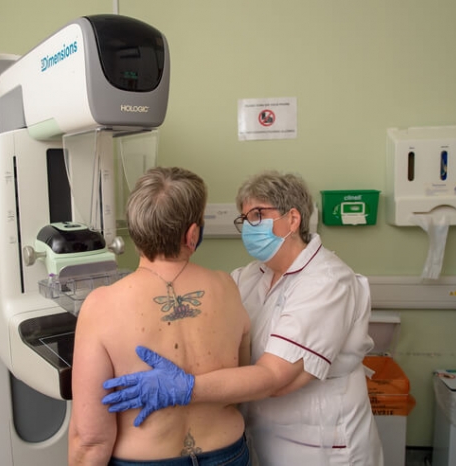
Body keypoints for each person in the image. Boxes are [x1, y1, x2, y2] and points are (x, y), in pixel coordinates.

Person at [102, 171, 384, 466]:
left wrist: (186, 387)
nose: (249, 226)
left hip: (321, 446)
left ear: (293, 219)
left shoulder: (328, 281)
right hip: (257, 438)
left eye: (258, 214)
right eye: (245, 218)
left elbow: (277, 379)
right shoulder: (246, 277)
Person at [68, 166, 252, 465]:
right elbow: (237, 390)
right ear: (192, 234)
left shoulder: (101, 305)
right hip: (227, 454)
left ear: (136, 229)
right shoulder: (227, 287)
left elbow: (90, 439)